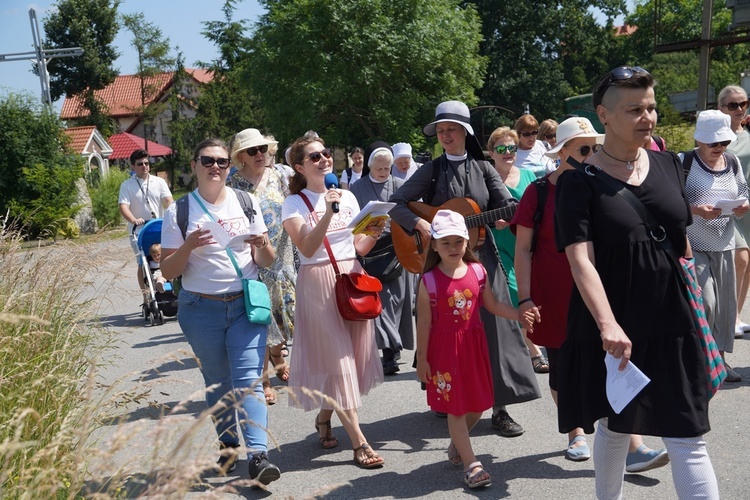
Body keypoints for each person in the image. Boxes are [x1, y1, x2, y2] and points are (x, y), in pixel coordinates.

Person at [555, 66, 719, 499]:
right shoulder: (577, 183)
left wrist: (697, 303)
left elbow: (680, 238)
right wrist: (608, 325)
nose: (647, 117)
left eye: (650, 108)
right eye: (634, 110)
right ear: (604, 115)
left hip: (673, 319)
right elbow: (580, 260)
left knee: (688, 432)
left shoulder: (669, 163)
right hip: (613, 324)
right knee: (613, 424)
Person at [389, 100, 541, 438]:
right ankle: (450, 399)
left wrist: (505, 215)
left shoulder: (484, 169)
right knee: (448, 333)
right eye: (440, 130)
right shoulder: (431, 170)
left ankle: (499, 408)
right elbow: (397, 203)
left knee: (495, 332)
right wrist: (418, 223)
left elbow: (508, 204)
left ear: (465, 132)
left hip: (481, 261)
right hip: (443, 265)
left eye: (450, 130)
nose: (444, 135)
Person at [160, 138, 281, 485]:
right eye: (208, 161)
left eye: (223, 162)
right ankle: (228, 445)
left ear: (230, 167)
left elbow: (266, 261)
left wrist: (263, 245)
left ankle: (258, 456)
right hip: (200, 308)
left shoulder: (246, 201)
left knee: (249, 383)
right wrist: (188, 245)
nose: (216, 167)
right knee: (217, 382)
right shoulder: (179, 211)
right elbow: (169, 272)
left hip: (244, 304)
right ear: (194, 164)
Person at [281, 135, 386, 469]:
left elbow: (359, 247)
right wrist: (326, 212)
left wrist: (375, 229)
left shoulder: (350, 196)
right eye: (315, 157)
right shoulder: (294, 203)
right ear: (300, 166)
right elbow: (308, 248)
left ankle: (325, 419)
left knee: (351, 359)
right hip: (317, 282)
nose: (324, 159)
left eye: (326, 153)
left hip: (351, 277)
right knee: (339, 363)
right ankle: (360, 443)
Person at [416, 209, 536, 489]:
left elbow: (492, 305)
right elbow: (423, 323)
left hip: (474, 347)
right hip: (444, 351)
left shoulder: (479, 271)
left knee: (480, 405)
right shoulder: (429, 281)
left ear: (468, 242)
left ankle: (458, 443)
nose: (453, 248)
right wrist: (422, 360)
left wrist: (519, 314)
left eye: (458, 241)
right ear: (434, 245)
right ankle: (473, 465)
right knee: (456, 409)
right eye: (445, 242)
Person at [228, 128, 297, 405]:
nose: (260, 154)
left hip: (284, 256)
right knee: (260, 318)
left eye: (263, 149)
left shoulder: (280, 175)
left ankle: (278, 354)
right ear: (241, 157)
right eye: (252, 151)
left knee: (285, 315)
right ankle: (264, 379)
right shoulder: (232, 183)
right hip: (252, 260)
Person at [680, 110, 749, 383]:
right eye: (713, 143)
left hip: (725, 242)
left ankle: (720, 361)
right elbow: (671, 201)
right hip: (693, 243)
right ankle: (701, 362)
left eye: (724, 143)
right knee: (705, 302)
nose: (719, 148)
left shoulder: (731, 162)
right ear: (699, 140)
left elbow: (743, 191)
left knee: (724, 308)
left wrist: (743, 206)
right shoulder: (684, 162)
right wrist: (695, 210)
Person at [486, 127, 547, 373]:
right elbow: (478, 211)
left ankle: (525, 344)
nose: (508, 152)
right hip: (500, 247)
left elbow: (541, 209)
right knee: (515, 293)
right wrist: (493, 221)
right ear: (491, 153)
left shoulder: (529, 177)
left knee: (533, 295)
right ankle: (533, 351)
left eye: (512, 148)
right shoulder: (487, 181)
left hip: (529, 246)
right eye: (501, 148)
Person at [351, 141, 413, 375]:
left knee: (396, 302)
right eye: (379, 168)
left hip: (396, 250)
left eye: (387, 168)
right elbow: (353, 221)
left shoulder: (399, 184)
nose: (383, 172)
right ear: (369, 167)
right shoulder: (357, 188)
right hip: (369, 250)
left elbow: (409, 214)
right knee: (380, 302)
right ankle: (389, 351)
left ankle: (392, 347)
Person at [118, 149, 173, 307]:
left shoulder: (159, 182)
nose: (144, 166)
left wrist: (172, 215)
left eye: (147, 163)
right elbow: (124, 207)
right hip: (139, 231)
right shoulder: (127, 186)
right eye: (140, 164)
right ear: (133, 166)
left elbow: (168, 201)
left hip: (159, 226)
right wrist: (134, 220)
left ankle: (169, 288)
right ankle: (146, 296)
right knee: (143, 263)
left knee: (166, 257)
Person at [718, 85, 750, 338]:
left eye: (743, 104)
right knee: (741, 258)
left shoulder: (749, 132)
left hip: (749, 204)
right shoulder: (715, 134)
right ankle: (732, 318)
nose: (739, 109)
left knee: (748, 263)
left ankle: (736, 316)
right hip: (729, 204)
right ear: (721, 108)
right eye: (732, 105)